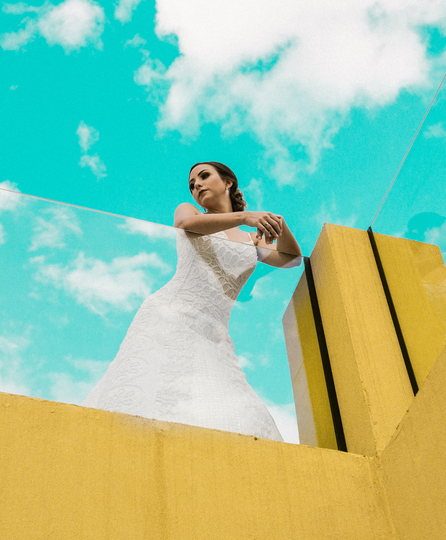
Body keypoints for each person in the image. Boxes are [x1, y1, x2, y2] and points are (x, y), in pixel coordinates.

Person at [82, 161, 302, 440]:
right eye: (192, 183)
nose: (196, 184)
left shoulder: (251, 240)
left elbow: (293, 259)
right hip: (169, 316)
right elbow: (185, 225)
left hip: (216, 334)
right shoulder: (189, 211)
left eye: (204, 176)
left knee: (240, 412)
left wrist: (278, 223)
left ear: (228, 183)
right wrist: (245, 217)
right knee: (153, 393)